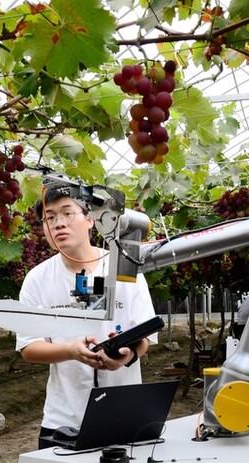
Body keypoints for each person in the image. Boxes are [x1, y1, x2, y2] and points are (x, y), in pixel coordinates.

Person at [17, 184, 158, 448]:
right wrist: (72, 351)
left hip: (123, 413)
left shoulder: (125, 269)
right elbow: (29, 347)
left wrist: (128, 354)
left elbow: (145, 335)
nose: (59, 223)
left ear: (91, 219)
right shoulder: (37, 279)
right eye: (50, 217)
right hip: (64, 419)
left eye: (68, 213)